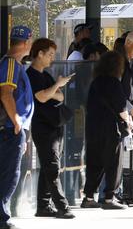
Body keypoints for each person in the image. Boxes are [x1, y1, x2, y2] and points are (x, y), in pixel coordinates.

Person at [26, 38, 75, 219]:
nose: (52, 58)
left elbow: (60, 97)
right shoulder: (31, 75)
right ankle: (62, 206)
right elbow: (42, 97)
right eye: (50, 54)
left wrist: (54, 90)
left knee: (50, 166)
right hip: (42, 127)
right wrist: (56, 87)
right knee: (52, 166)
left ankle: (43, 205)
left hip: (54, 125)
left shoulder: (45, 75)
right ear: (39, 54)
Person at [81, 51, 132, 210]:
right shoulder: (114, 82)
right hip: (110, 128)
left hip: (93, 127)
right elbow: (121, 107)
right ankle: (109, 197)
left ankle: (89, 197)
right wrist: (128, 121)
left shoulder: (95, 82)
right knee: (113, 163)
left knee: (94, 162)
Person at [0, 26, 34, 229]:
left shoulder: (15, 65)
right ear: (26, 43)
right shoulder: (10, 64)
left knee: (10, 172)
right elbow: (5, 93)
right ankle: (2, 217)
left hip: (14, 128)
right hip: (9, 128)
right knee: (9, 173)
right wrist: (16, 121)